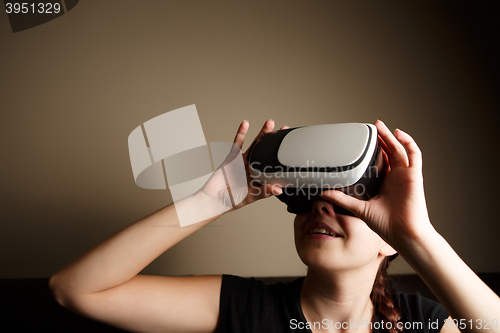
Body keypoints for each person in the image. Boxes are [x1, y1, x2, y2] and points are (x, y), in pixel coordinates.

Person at [49, 120, 500, 333]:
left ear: (388, 240)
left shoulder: (423, 323)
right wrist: (210, 203)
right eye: (310, 196)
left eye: (352, 201)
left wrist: (416, 236)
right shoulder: (246, 309)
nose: (323, 208)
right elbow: (74, 289)